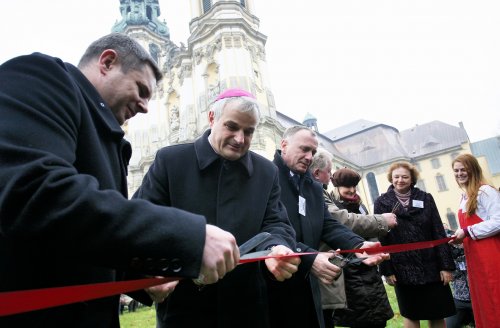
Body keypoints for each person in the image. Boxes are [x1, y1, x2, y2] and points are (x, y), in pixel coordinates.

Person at [0, 33, 240, 327]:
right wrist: (189, 236)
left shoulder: (112, 140)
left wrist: (140, 279)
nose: (145, 107)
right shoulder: (41, 77)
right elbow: (37, 194)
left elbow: (84, 237)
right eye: (141, 89)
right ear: (108, 62)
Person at [133, 88, 301, 328]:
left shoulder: (267, 172)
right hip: (184, 311)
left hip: (247, 308)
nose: (240, 139)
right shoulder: (171, 161)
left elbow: (276, 223)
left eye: (249, 131)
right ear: (212, 118)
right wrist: (150, 271)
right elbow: (142, 221)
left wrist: (277, 248)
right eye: (232, 127)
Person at [268, 126, 389, 328]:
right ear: (284, 145)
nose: (309, 157)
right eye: (304, 149)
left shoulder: (313, 187)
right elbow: (269, 229)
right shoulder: (267, 177)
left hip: (312, 285)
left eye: (313, 152)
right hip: (278, 284)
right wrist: (308, 258)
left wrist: (358, 245)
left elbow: (327, 224)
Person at [309, 150, 396, 328]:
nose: (351, 190)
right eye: (346, 186)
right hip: (350, 271)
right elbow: (340, 221)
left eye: (354, 186)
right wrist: (381, 221)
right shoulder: (323, 196)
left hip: (368, 268)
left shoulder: (360, 206)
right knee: (361, 318)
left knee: (376, 318)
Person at [374, 161, 455, 328]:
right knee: (411, 314)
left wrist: (446, 266)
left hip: (432, 266)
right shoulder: (382, 202)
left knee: (437, 313)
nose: (400, 180)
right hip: (402, 268)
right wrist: (387, 270)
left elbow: (438, 231)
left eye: (405, 176)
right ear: (391, 178)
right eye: (396, 177)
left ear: (412, 179)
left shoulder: (426, 198)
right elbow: (382, 238)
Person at [450, 153, 500, 328]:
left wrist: (467, 231)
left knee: (496, 295)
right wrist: (458, 238)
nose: (459, 173)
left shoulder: (485, 191)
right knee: (484, 298)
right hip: (474, 257)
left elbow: (498, 221)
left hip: (490, 254)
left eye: (464, 169)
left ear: (473, 170)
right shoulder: (464, 197)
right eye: (456, 170)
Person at [444, 243, 475, 328]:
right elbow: (450, 276)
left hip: (478, 301)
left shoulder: (474, 246)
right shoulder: (448, 250)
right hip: (458, 300)